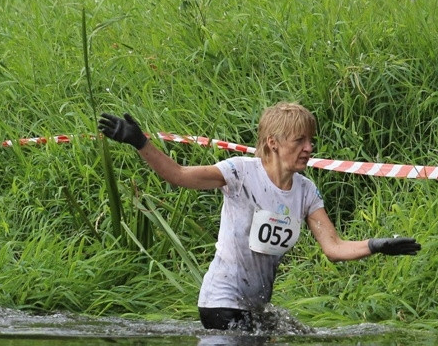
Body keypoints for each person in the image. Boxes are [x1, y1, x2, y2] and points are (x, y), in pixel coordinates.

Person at [98, 102, 421, 331]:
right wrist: (139, 142)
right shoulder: (239, 172)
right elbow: (179, 175)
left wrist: (377, 245)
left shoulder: (306, 191)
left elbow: (334, 247)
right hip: (220, 302)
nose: (309, 147)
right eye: (300, 141)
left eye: (311, 140)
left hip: (254, 307)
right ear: (273, 143)